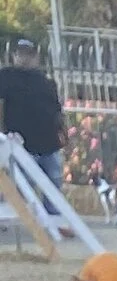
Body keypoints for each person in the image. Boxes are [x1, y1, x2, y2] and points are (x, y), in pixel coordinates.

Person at [0, 39, 67, 199]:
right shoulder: (6, 76)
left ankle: (52, 217)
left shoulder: (46, 82)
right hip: (21, 146)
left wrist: (64, 134)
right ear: (14, 56)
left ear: (36, 57)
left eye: (28, 55)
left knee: (54, 191)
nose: (24, 58)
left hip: (49, 145)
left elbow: (56, 110)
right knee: (22, 192)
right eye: (20, 54)